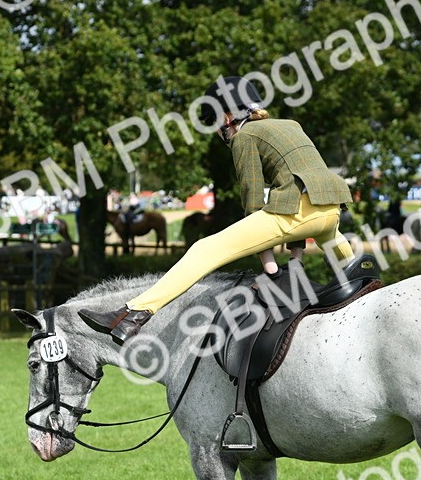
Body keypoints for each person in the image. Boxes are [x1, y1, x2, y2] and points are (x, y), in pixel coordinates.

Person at [81, 76, 355, 344]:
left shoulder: (244, 136)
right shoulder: (291, 125)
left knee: (204, 249)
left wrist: (271, 271)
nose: (215, 130)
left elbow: (252, 199)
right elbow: (297, 182)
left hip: (297, 212)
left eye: (214, 122)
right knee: (340, 251)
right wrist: (295, 262)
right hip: (330, 211)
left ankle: (133, 314)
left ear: (226, 116)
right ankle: (362, 281)